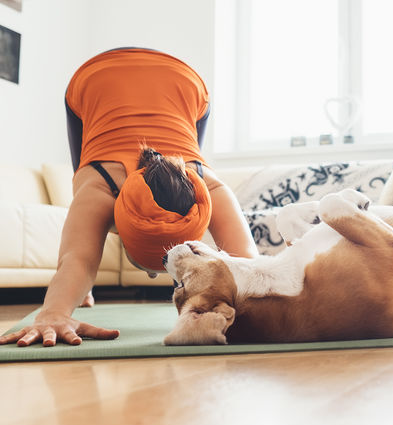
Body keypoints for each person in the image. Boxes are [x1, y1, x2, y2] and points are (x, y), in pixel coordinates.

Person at [0, 48, 258, 347]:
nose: (151, 275)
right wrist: (53, 313)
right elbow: (77, 261)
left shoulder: (207, 189)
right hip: (106, 78)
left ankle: (78, 288)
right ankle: (78, 290)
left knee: (87, 184)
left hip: (177, 82)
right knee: (83, 177)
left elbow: (248, 266)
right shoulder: (101, 189)